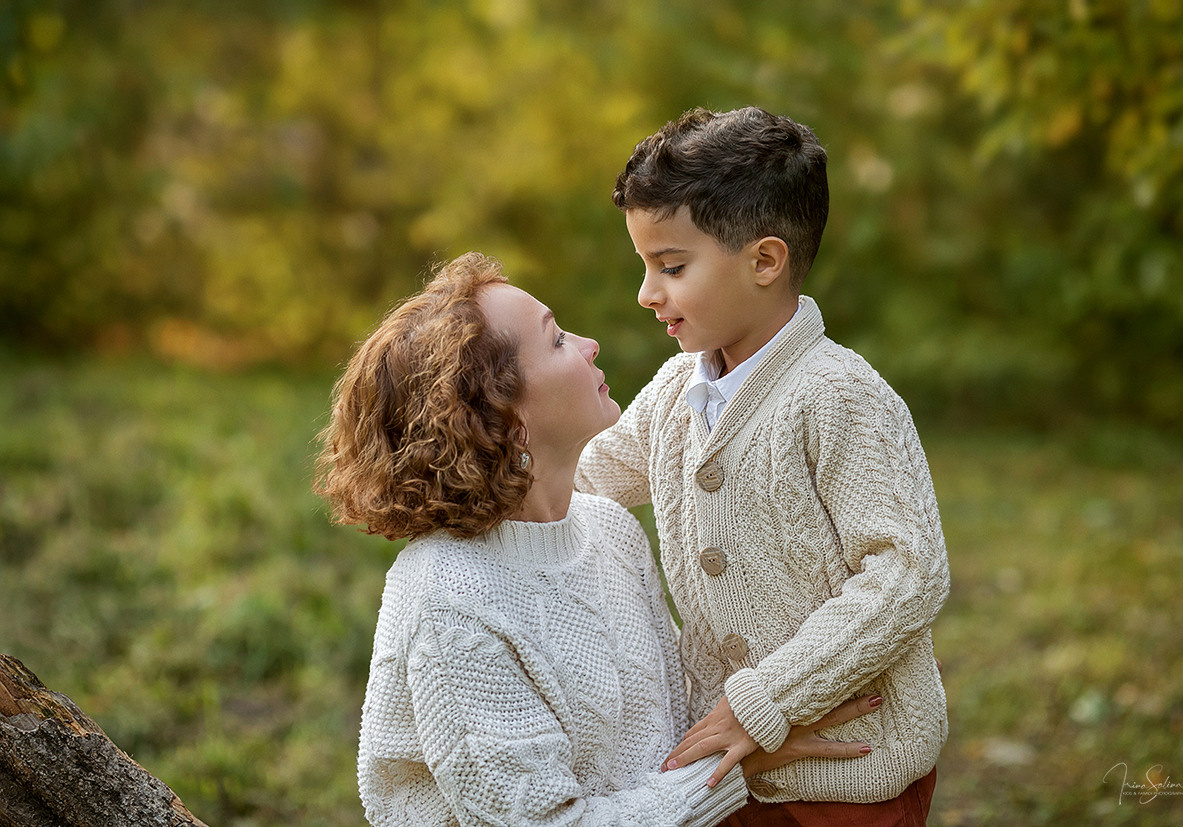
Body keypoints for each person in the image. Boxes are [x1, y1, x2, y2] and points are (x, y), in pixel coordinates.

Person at [315, 252, 882, 826]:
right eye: (557, 340)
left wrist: (773, 706)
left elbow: (664, 733)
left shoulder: (610, 531)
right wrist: (737, 770)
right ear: (502, 414)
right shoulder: (448, 600)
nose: (589, 344)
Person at [574, 106, 949, 825]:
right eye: (645, 266)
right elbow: (584, 480)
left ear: (765, 260)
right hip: (731, 771)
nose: (647, 294)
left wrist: (767, 699)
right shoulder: (674, 392)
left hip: (854, 770)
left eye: (671, 266)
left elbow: (907, 571)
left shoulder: (839, 395)